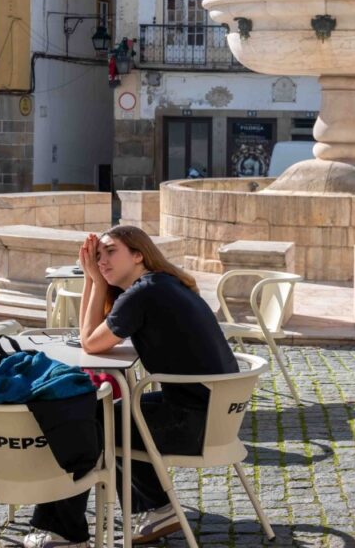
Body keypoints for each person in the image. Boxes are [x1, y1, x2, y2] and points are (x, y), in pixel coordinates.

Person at [24, 226, 238, 548]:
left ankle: (62, 532)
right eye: (98, 256)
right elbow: (93, 338)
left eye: (111, 251)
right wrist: (94, 279)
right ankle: (155, 508)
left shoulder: (144, 293)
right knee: (104, 413)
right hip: (216, 412)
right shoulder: (162, 285)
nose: (102, 260)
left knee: (88, 425)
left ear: (138, 254)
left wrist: (93, 280)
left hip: (196, 421)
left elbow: (90, 343)